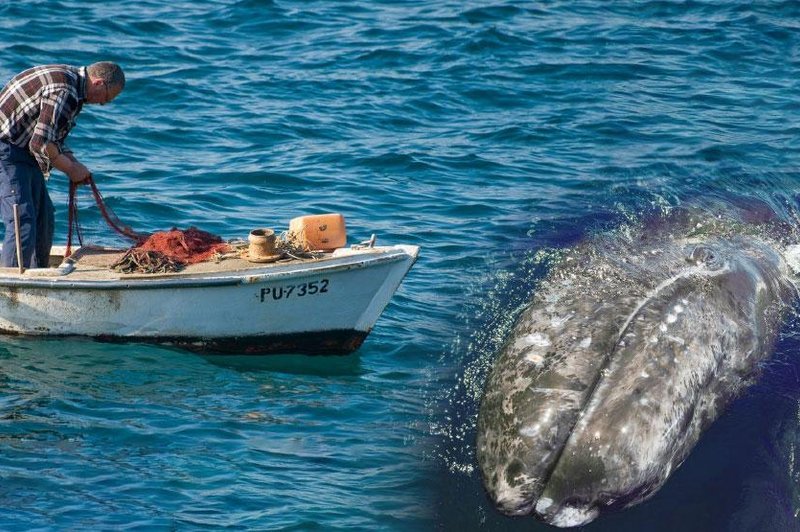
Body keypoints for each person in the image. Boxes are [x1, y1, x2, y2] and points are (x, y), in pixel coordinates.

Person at [0, 62, 124, 268]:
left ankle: (36, 273)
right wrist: (71, 169)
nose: (104, 104)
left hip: (23, 150)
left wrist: (74, 162)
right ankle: (12, 284)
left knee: (45, 219)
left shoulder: (74, 89)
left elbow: (52, 137)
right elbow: (41, 143)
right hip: (6, 150)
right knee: (23, 220)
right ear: (99, 83)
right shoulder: (64, 90)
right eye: (107, 98)